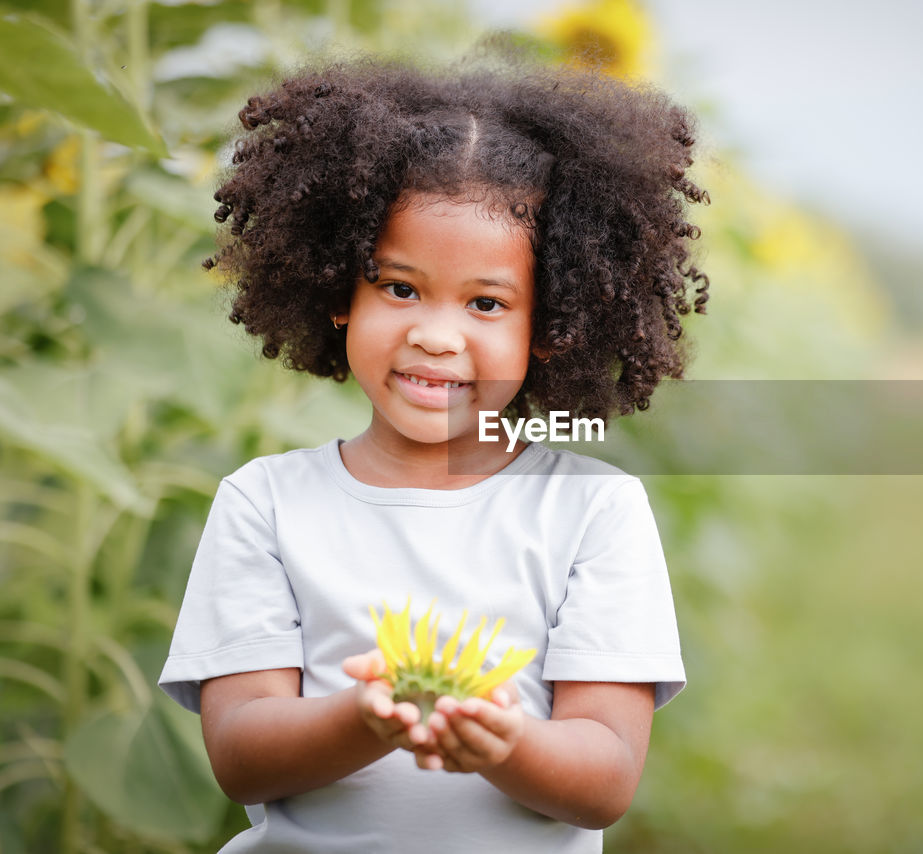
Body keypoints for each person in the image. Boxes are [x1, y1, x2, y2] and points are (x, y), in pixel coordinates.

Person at [158, 55, 709, 852]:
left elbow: (607, 776)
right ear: (338, 289)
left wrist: (505, 742)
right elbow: (241, 757)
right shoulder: (264, 502)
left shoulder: (595, 511)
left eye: (486, 303)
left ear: (551, 327)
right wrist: (365, 719)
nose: (434, 334)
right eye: (400, 287)